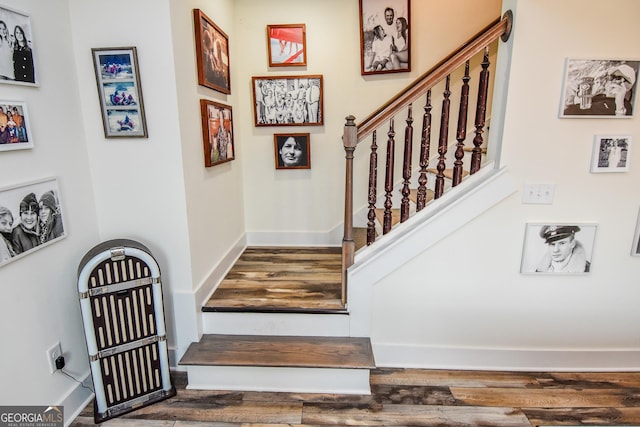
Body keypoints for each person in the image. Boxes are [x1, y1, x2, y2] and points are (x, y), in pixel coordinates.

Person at [564, 63, 636, 116]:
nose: (612, 81)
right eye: (611, 77)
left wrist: (619, 102)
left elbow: (621, 128)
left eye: (618, 78)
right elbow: (575, 110)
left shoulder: (625, 105)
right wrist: (571, 97)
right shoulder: (599, 96)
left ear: (628, 86)